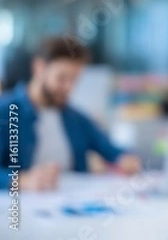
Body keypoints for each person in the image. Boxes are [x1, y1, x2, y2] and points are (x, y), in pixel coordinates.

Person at [0, 37, 141, 191]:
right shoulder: (5, 112)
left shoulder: (75, 118)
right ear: (38, 67)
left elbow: (111, 149)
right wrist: (21, 180)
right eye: (62, 78)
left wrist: (126, 159)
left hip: (69, 204)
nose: (69, 87)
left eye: (74, 80)